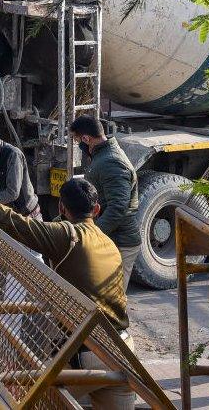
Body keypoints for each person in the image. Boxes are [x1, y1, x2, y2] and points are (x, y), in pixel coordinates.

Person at [0, 171, 135, 409]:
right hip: (123, 351)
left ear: (61, 207)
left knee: (32, 403)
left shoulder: (66, 236)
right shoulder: (109, 243)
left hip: (87, 355)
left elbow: (12, 221)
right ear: (97, 209)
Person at [69, 116, 139, 289]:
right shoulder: (102, 156)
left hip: (121, 242)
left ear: (86, 139)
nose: (78, 144)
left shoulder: (111, 162)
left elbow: (117, 207)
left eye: (77, 140)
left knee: (113, 301)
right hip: (112, 239)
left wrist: (92, 234)